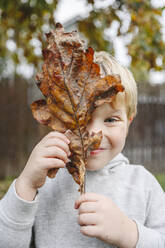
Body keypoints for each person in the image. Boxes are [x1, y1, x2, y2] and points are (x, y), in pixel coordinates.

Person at [0, 51, 165, 248]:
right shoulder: (44, 183)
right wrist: (26, 184)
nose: (95, 134)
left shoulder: (143, 185)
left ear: (128, 122)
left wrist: (129, 233)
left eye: (111, 120)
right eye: (83, 120)